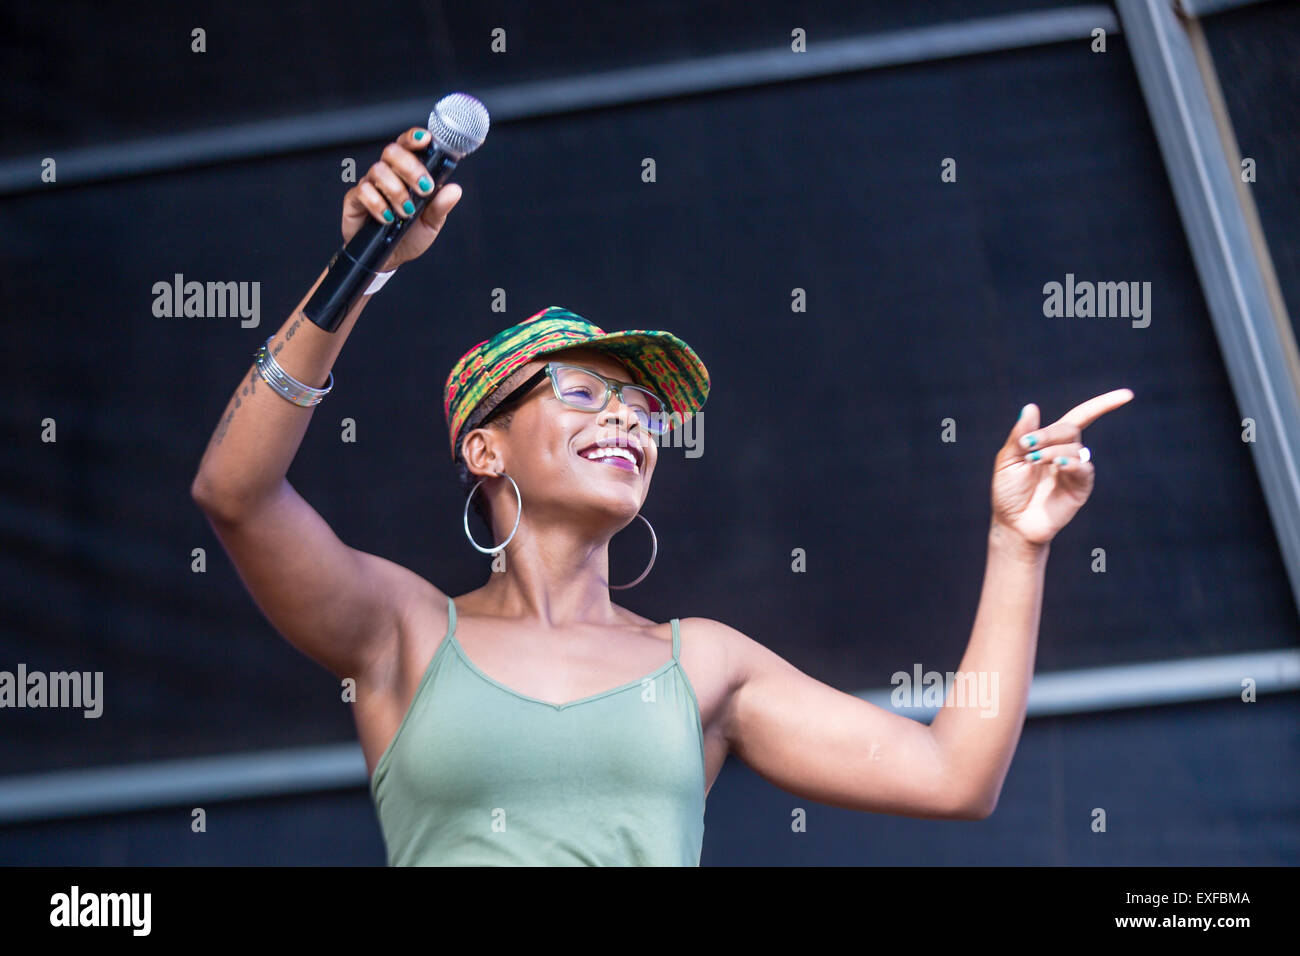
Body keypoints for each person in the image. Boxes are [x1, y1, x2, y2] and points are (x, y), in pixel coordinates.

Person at [190, 127, 1135, 866]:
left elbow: (953, 776)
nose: (629, 420)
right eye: (582, 391)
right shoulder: (401, 632)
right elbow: (235, 492)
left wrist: (1019, 543)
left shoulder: (702, 665)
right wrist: (362, 271)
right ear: (484, 446)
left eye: (643, 407)